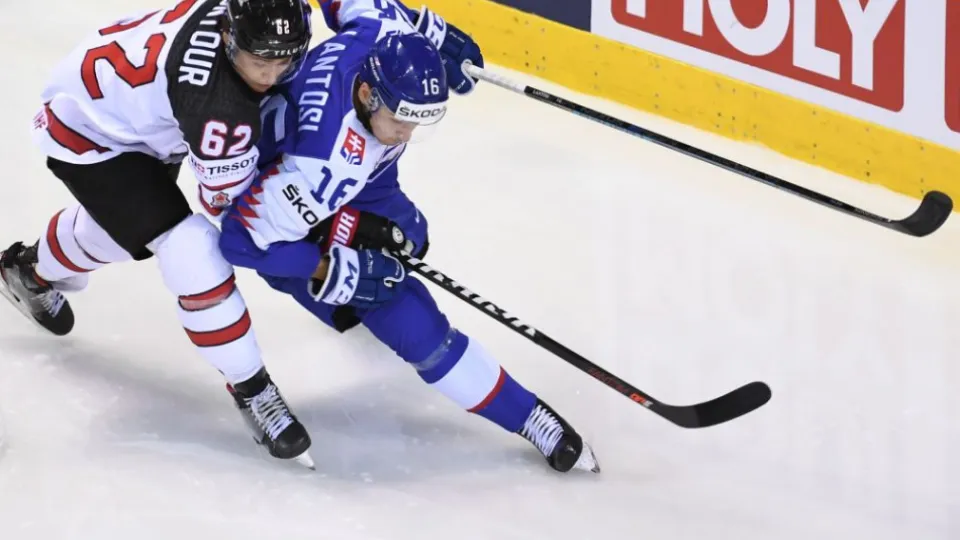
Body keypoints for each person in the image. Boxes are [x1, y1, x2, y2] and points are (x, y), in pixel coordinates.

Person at [218, 0, 600, 473]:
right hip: (288, 201)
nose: (407, 132)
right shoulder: (324, 163)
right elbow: (240, 240)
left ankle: (352, 307)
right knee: (399, 309)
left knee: (410, 236)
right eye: (401, 119)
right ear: (367, 94)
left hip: (360, 183)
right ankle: (530, 417)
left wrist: (432, 30)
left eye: (419, 121)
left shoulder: (381, 34)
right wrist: (332, 268)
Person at [0, 0, 317, 468]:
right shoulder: (218, 108)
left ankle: (27, 270)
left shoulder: (237, 21)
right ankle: (252, 387)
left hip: (123, 110)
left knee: (120, 233)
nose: (273, 73)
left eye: (285, 59)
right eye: (261, 61)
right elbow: (226, 207)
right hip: (93, 137)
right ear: (229, 39)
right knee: (192, 249)